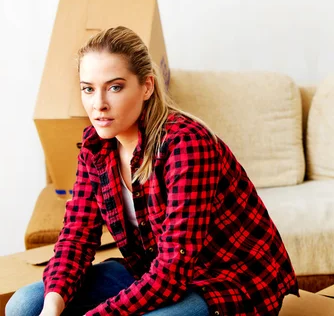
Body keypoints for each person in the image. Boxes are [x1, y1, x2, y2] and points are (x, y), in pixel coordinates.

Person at [6, 26, 298, 316]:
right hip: (150, 273)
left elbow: (173, 270)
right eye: (88, 89)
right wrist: (51, 308)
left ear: (146, 86)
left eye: (115, 87)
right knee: (25, 305)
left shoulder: (186, 145)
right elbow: (76, 239)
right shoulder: (95, 149)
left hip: (226, 282)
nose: (99, 105)